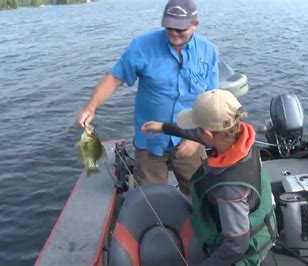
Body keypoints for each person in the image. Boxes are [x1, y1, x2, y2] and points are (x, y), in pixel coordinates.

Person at [77, 0, 219, 196]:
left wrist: (197, 139)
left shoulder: (209, 52)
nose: (174, 33)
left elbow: (213, 101)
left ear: (195, 24)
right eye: (169, 28)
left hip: (190, 139)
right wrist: (90, 107)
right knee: (152, 200)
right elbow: (114, 78)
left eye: (180, 29)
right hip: (150, 141)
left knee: (200, 195)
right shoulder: (141, 46)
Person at [142, 90, 275, 266]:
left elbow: (236, 246)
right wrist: (164, 127)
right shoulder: (238, 136)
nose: (196, 133)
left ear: (208, 134)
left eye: (198, 128)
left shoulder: (229, 190)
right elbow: (201, 135)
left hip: (242, 255)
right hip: (256, 224)